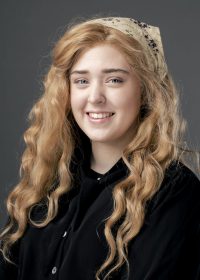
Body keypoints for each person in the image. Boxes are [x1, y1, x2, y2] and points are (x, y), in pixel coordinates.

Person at [0, 16, 199, 280]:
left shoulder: (175, 192)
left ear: (146, 91)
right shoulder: (45, 184)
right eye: (82, 81)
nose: (95, 97)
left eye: (114, 80)